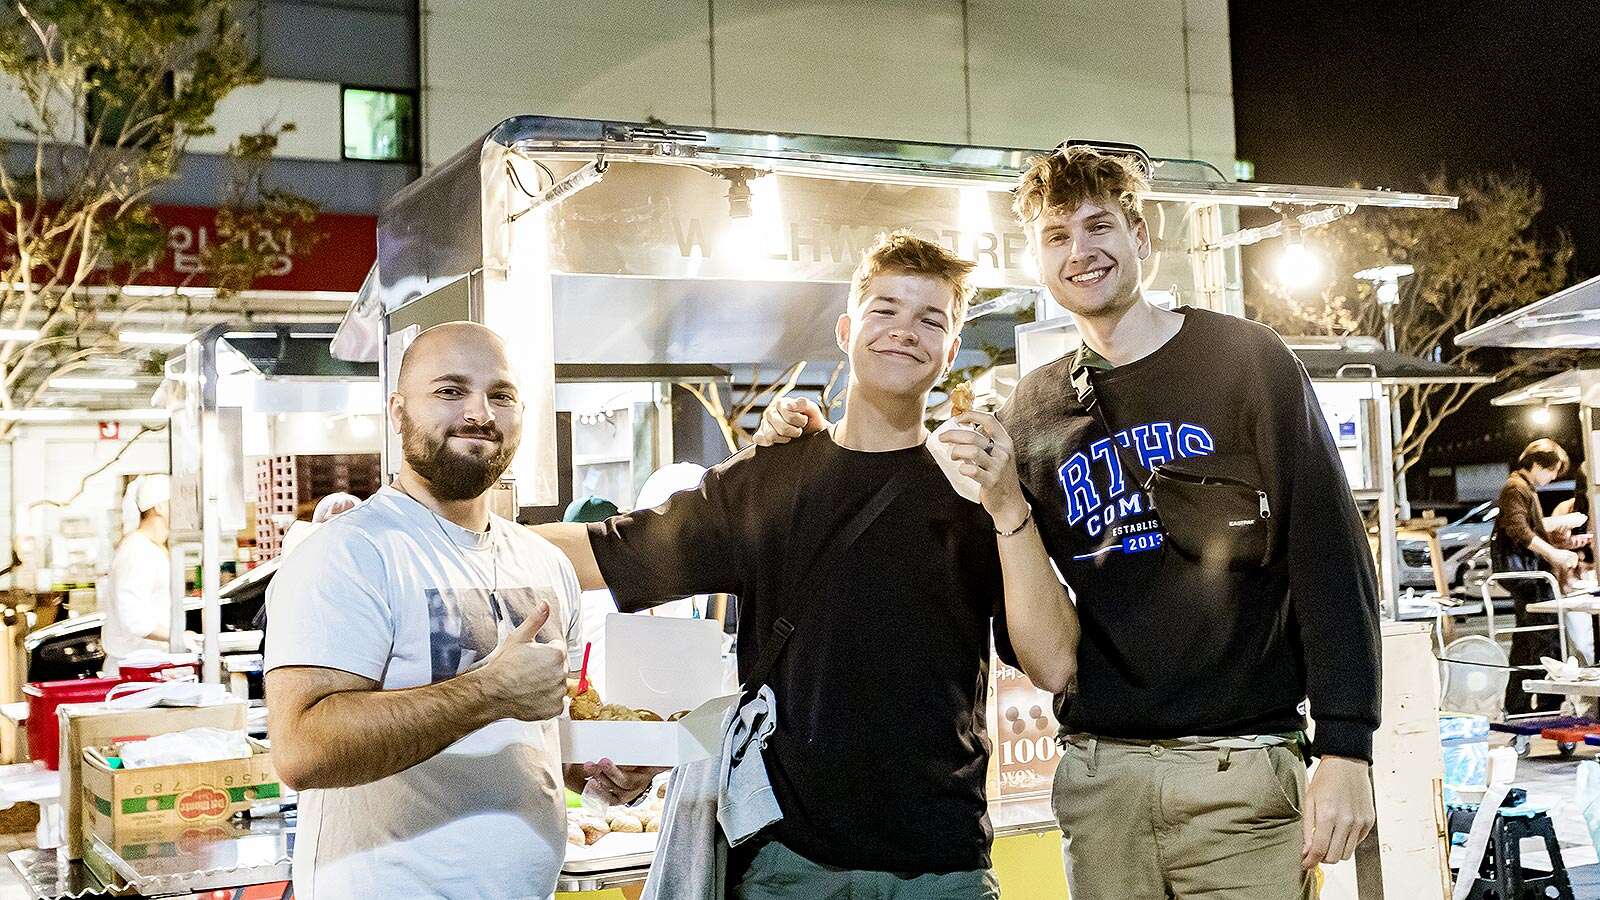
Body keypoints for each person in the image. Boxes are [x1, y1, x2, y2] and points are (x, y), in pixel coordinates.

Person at [760, 147, 1381, 899]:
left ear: (1141, 237)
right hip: (1100, 779)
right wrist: (802, 448)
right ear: (1039, 260)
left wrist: (1347, 746)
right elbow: (978, 561)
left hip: (1240, 773)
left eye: (1099, 227)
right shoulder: (1034, 410)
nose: (1080, 251)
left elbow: (1328, 551)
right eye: (1057, 236)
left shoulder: (1244, 359)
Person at [538, 232, 1079, 899]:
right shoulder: (770, 479)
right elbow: (607, 551)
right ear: (846, 330)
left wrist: (1008, 506)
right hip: (790, 865)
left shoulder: (977, 490)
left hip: (943, 865)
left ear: (949, 351)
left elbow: (1054, 665)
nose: (904, 331)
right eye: (885, 310)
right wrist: (461, 532)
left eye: (930, 319)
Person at [265, 322, 645, 899]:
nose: (479, 413)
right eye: (450, 391)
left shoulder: (544, 563)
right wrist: (488, 691)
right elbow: (302, 751)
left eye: (501, 395)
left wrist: (601, 772)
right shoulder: (349, 553)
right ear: (398, 412)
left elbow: (543, 737)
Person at [1494, 439, 1588, 710]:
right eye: (1551, 471)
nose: (1552, 478)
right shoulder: (1516, 488)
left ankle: (1519, 706)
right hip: (1527, 575)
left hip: (1528, 573)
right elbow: (1519, 529)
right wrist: (1553, 554)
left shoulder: (1522, 488)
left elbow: (1527, 529)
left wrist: (1559, 543)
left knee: (1527, 642)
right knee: (1544, 639)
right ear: (1536, 464)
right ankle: (1548, 704)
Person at [102, 474, 175, 674]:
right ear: (160, 507)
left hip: (151, 663)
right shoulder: (137, 551)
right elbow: (135, 620)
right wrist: (178, 636)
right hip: (134, 668)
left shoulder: (154, 548)